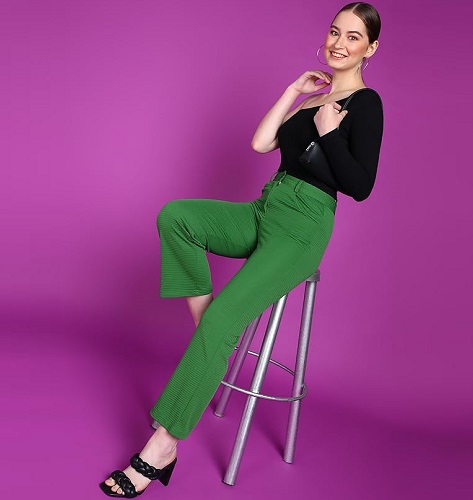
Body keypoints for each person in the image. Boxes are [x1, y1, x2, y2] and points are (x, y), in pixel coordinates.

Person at [100, 2, 383, 497]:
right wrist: (294, 92)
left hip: (303, 227)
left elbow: (360, 186)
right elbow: (261, 143)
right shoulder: (316, 98)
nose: (340, 43)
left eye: (353, 37)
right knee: (177, 217)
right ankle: (213, 334)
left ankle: (162, 447)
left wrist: (330, 134)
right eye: (335, 31)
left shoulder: (366, 103)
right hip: (266, 206)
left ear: (370, 48)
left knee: (221, 324)